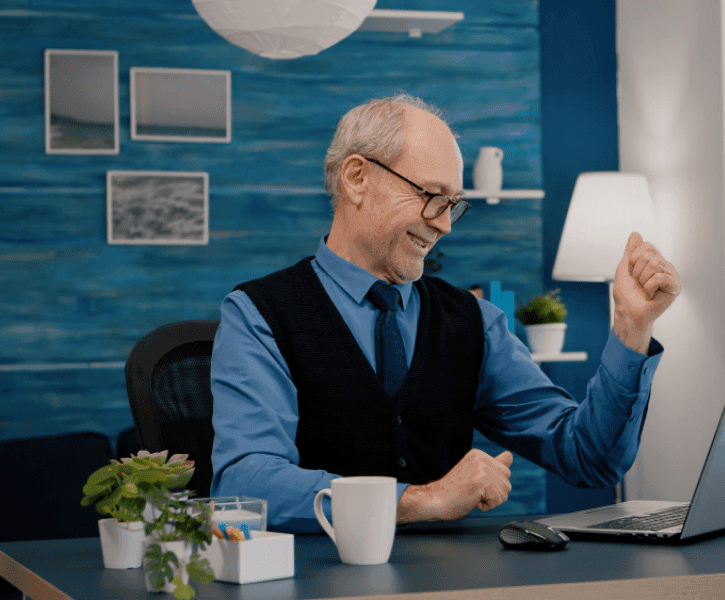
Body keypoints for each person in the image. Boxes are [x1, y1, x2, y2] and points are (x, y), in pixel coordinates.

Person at [210, 92, 681, 533]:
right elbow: (244, 484)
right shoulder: (258, 315)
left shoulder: (475, 321)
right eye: (431, 196)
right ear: (357, 178)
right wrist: (420, 500)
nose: (442, 224)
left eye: (453, 205)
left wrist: (631, 329)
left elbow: (588, 457)